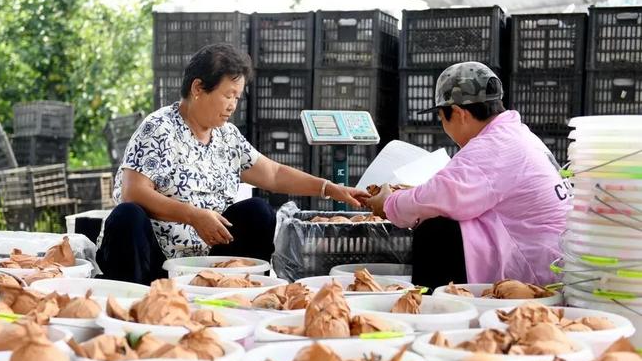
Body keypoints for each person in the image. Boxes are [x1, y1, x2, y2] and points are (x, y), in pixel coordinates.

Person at [97, 43, 369, 285]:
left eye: (237, 97)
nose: (233, 106)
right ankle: (137, 299)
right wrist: (193, 216)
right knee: (127, 216)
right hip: (153, 261)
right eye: (228, 95)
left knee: (258, 211)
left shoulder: (226, 136)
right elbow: (133, 192)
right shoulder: (159, 128)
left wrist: (330, 188)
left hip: (205, 263)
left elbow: (273, 174)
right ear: (198, 89)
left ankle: (236, 289)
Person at [365, 62, 570, 290]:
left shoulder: (495, 145)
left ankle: (435, 313)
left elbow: (444, 196)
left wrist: (388, 203)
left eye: (442, 118)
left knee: (436, 232)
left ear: (460, 114)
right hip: (549, 253)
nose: (443, 126)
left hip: (539, 268)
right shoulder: (516, 134)